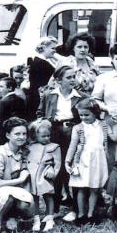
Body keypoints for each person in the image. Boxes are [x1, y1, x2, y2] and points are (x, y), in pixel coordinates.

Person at [37, 65, 83, 214]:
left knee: (73, 167)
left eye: (73, 77)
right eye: (68, 77)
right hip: (55, 132)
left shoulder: (80, 96)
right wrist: (45, 122)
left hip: (73, 133)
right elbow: (40, 113)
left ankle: (77, 207)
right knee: (56, 168)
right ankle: (54, 207)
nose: (72, 80)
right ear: (58, 80)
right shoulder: (49, 95)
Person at [0, 117, 34, 233]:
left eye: (24, 134)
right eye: (17, 134)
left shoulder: (25, 151)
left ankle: (12, 216)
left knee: (25, 204)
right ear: (8, 135)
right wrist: (19, 180)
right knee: (8, 196)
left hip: (17, 191)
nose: (21, 137)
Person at [66, 98, 115, 225]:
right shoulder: (78, 128)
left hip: (98, 160)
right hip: (83, 159)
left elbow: (115, 137)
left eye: (86, 115)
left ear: (95, 112)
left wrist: (115, 123)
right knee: (82, 188)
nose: (83, 117)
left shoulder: (103, 125)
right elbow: (72, 145)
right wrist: (68, 161)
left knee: (95, 188)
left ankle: (91, 214)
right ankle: (81, 214)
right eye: (81, 115)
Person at [26, 119, 61, 232]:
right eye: (43, 136)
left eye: (48, 136)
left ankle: (49, 218)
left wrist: (53, 171)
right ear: (35, 135)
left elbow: (58, 163)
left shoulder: (54, 147)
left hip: (44, 174)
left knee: (48, 196)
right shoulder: (30, 147)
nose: (47, 138)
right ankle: (36, 219)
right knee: (34, 197)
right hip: (32, 175)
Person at [27, 36, 64, 119]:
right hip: (39, 97)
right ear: (44, 48)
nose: (55, 51)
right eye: (52, 48)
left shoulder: (38, 61)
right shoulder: (41, 63)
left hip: (36, 95)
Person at [0, 76, 27, 146]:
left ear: (10, 88)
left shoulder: (3, 101)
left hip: (4, 134)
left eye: (1, 86)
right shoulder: (21, 100)